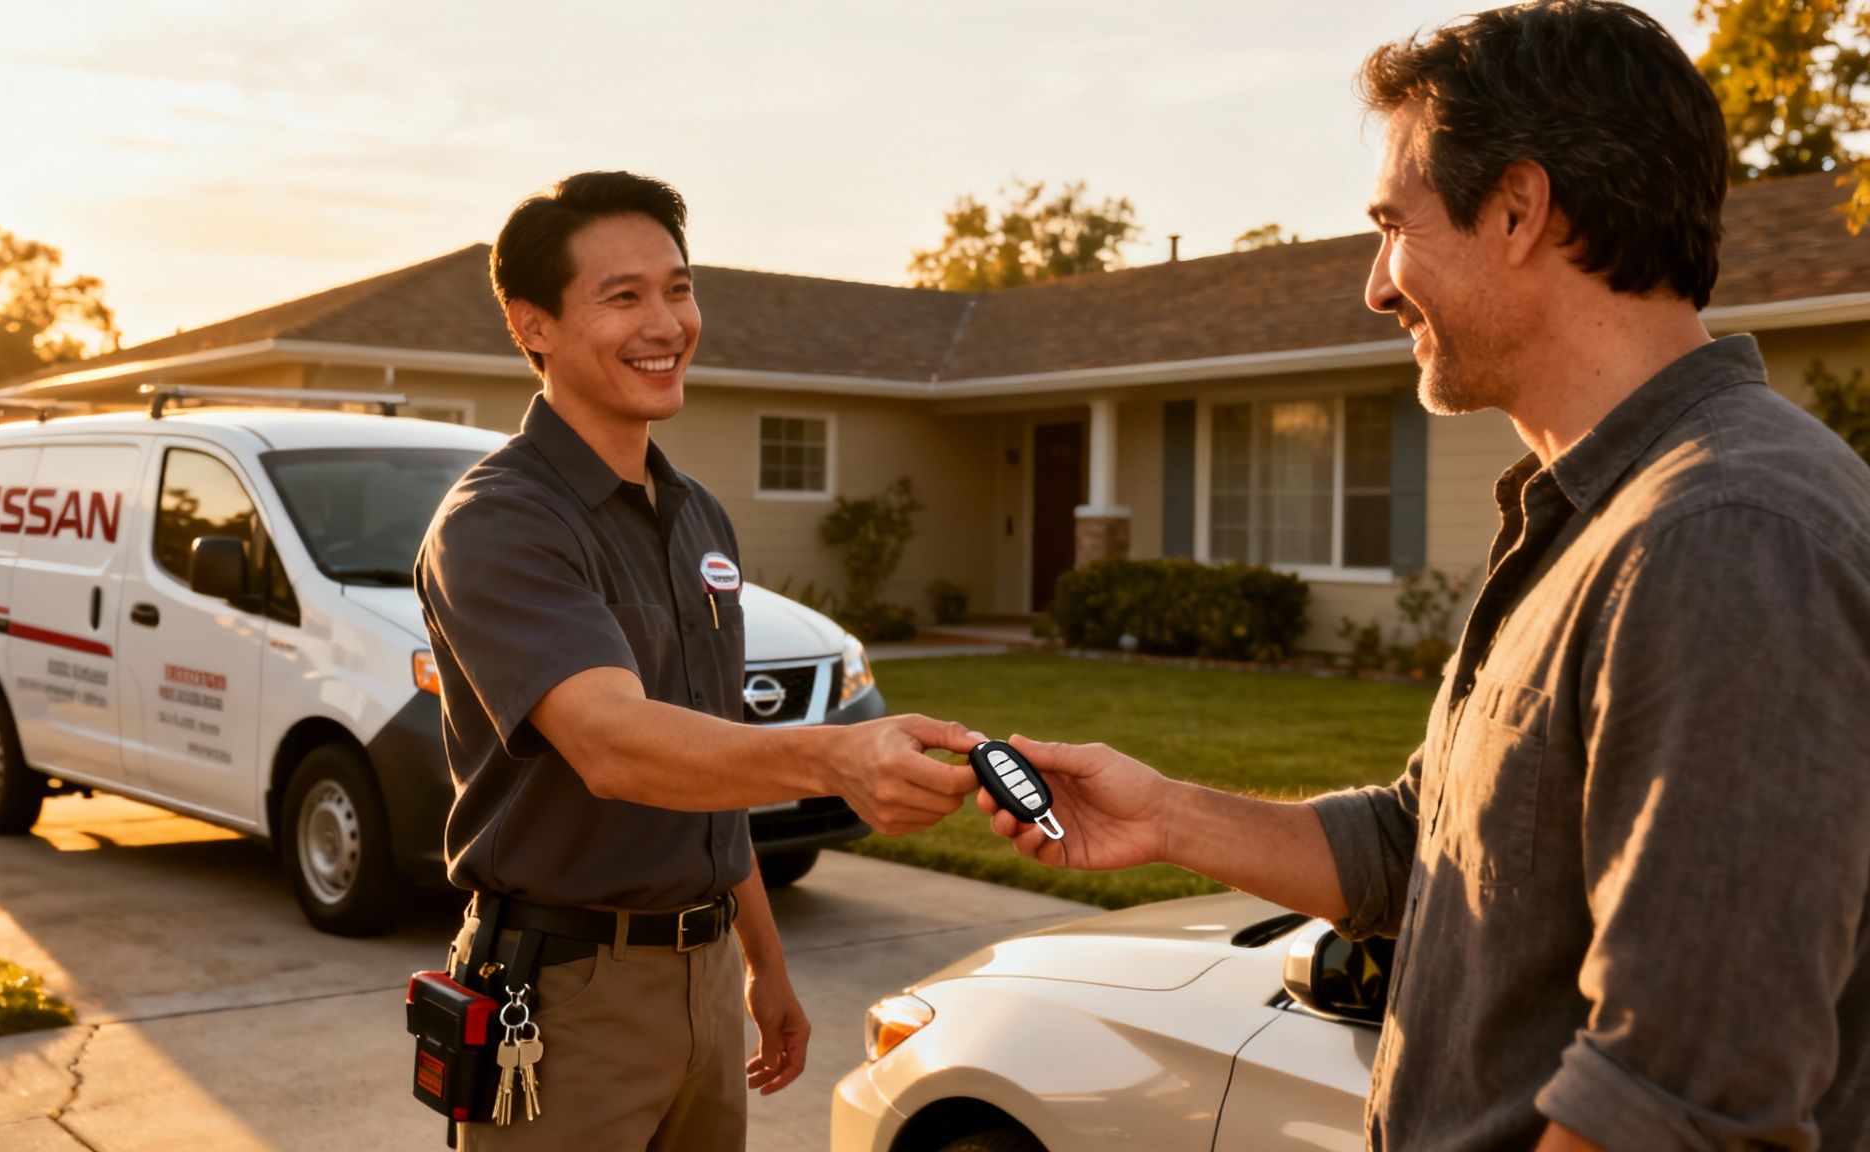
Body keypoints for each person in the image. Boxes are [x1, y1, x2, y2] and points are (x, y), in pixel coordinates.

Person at [984, 4, 1870, 1150]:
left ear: (1516, 209)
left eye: (1390, 227)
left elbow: (1681, 1096)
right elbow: (1428, 852)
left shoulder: (1724, 536)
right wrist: (1161, 815)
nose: (1374, 285)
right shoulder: (1587, 516)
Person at [416, 171, 983, 1151]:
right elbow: (612, 745)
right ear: (533, 325)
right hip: (563, 994)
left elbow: (707, 768)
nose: (666, 322)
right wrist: (836, 756)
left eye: (677, 288)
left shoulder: (697, 518)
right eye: (622, 296)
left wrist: (761, 963)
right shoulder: (499, 523)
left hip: (708, 975)